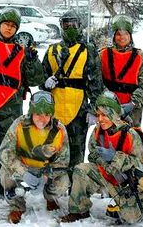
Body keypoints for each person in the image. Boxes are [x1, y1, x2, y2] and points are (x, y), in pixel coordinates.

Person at [60, 90, 143, 224]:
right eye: (98, 115)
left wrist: (115, 157)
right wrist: (105, 162)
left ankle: (138, 205)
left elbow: (138, 162)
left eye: (104, 114)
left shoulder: (130, 134)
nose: (100, 119)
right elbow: (92, 155)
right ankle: (78, 210)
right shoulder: (98, 131)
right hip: (103, 174)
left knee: (132, 218)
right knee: (80, 169)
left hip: (123, 180)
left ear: (114, 114)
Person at [42, 9, 104, 174]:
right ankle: (54, 187)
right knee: (53, 150)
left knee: (76, 152)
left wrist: (93, 109)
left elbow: (96, 83)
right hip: (54, 111)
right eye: (66, 25)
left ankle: (74, 189)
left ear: (80, 26)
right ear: (61, 26)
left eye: (73, 24)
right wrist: (45, 83)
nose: (70, 28)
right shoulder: (51, 50)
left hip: (78, 111)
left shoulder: (88, 50)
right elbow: (42, 79)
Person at [0, 8, 44, 197]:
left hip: (11, 113)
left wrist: (31, 60)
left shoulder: (22, 52)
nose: (9, 28)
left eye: (13, 26)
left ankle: (4, 187)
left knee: (6, 154)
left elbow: (36, 79)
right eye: (6, 24)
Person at [0, 90, 70, 224]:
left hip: (45, 170)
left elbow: (63, 162)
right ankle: (17, 206)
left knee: (63, 182)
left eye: (46, 115)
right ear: (31, 112)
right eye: (38, 114)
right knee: (5, 174)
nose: (42, 119)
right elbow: (4, 153)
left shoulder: (59, 129)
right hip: (24, 167)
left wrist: (46, 177)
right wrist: (23, 173)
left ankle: (50, 198)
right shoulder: (19, 124)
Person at [99, 14, 143, 126]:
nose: (122, 37)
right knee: (106, 141)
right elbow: (97, 81)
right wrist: (106, 102)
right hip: (107, 109)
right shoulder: (103, 55)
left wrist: (133, 103)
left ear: (130, 35)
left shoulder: (140, 57)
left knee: (130, 139)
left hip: (132, 111)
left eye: (125, 33)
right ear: (114, 36)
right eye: (118, 34)